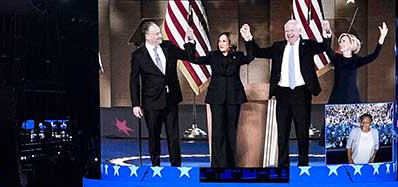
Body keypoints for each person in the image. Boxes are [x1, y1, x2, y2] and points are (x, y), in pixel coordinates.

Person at [241, 20, 332, 169]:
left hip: (301, 92)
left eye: (292, 30)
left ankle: (303, 164)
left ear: (299, 31)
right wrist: (248, 38)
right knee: (282, 131)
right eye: (287, 30)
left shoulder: (307, 45)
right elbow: (259, 52)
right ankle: (283, 165)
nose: (289, 33)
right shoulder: (278, 46)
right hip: (282, 92)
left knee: (302, 131)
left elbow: (325, 46)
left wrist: (327, 32)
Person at [183, 29, 254, 168]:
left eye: (224, 41)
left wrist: (248, 39)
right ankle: (218, 165)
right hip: (217, 98)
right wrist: (191, 41)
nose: (221, 43)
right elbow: (193, 59)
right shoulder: (213, 56)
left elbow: (250, 57)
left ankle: (231, 164)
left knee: (231, 131)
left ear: (230, 44)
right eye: (219, 41)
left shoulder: (237, 56)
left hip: (234, 98)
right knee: (218, 131)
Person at [130, 21, 191, 167]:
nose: (160, 35)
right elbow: (134, 81)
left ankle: (176, 167)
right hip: (151, 103)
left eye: (159, 32)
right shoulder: (138, 55)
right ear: (147, 35)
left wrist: (190, 40)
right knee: (154, 137)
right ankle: (155, 167)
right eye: (156, 33)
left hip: (170, 100)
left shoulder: (168, 47)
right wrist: (136, 104)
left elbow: (187, 56)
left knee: (174, 136)